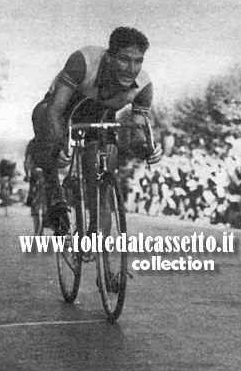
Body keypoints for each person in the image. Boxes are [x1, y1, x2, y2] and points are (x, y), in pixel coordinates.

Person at [30, 27, 162, 232]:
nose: (131, 69)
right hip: (63, 108)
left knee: (104, 164)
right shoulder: (83, 61)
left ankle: (96, 225)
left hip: (100, 115)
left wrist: (148, 150)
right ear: (108, 57)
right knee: (44, 123)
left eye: (138, 61)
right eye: (124, 59)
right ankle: (54, 194)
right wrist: (59, 145)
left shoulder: (143, 87)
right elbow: (55, 110)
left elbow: (136, 137)